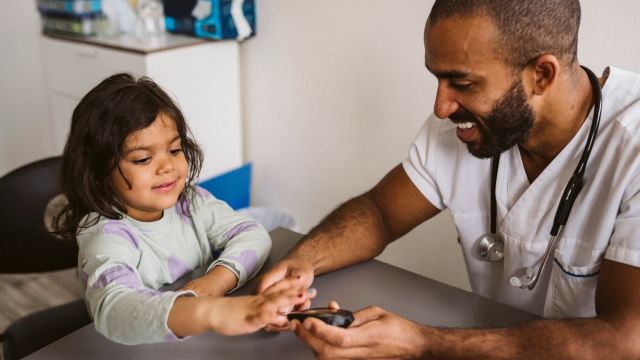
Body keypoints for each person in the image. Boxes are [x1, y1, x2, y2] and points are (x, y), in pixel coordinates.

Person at [257, 0, 640, 358]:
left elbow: (626, 339)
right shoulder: (466, 127)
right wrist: (305, 260)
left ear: (541, 74)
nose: (441, 107)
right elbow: (380, 213)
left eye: (463, 83)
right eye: (437, 79)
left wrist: (422, 342)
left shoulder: (632, 148)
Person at [55, 73, 315, 345]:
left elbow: (252, 233)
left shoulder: (191, 202)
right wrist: (213, 312)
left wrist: (216, 282)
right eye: (143, 159)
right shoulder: (106, 233)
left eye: (175, 150)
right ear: (98, 172)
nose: (167, 166)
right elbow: (115, 309)